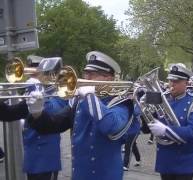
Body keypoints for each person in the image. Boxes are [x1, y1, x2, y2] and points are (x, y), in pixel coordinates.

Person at [26, 51, 134, 180]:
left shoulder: (121, 103)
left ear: (108, 78)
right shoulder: (80, 101)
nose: (86, 78)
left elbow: (110, 126)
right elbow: (54, 125)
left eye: (93, 74)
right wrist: (37, 112)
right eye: (86, 73)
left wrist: (90, 97)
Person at [0, 56, 64, 180]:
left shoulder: (59, 94)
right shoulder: (31, 96)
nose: (35, 75)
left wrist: (38, 91)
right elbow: (9, 114)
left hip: (46, 161)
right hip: (32, 158)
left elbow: (52, 112)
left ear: (53, 74)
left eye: (39, 72)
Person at [147, 64, 193, 180]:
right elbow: (145, 128)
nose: (172, 84)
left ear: (186, 83)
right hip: (165, 160)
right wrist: (145, 107)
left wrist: (166, 130)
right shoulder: (162, 100)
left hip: (183, 163)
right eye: (170, 80)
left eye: (177, 81)